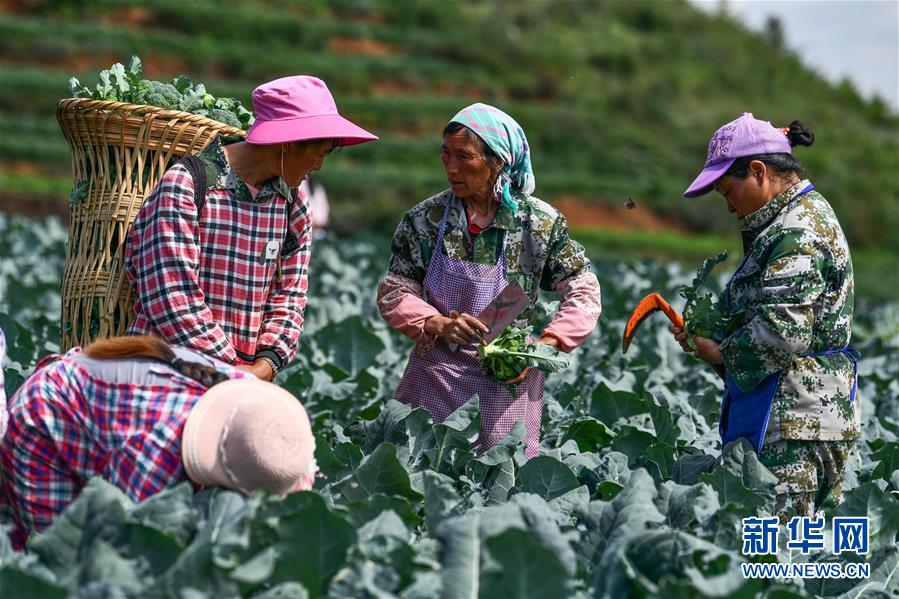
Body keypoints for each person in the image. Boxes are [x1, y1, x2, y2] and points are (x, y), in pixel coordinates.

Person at [377, 103, 602, 458]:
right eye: (445, 154)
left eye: (464, 156)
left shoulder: (538, 224)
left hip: (506, 377)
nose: (451, 167)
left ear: (498, 162)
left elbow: (583, 288)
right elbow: (395, 290)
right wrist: (436, 322)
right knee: (421, 468)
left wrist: (545, 346)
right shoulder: (426, 220)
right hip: (436, 372)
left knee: (497, 479)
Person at [125, 76, 377, 382]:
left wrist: (267, 364)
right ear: (287, 144)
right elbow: (170, 296)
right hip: (165, 375)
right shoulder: (188, 185)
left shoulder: (293, 204)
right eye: (319, 153)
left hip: (242, 382)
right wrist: (232, 367)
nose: (318, 166)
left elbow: (290, 297)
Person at [672, 112, 858, 522]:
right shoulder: (787, 222)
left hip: (797, 424)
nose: (728, 207)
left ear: (758, 172)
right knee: (792, 554)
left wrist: (719, 352)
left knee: (776, 553)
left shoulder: (798, 231)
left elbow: (782, 332)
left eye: (727, 191)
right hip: (803, 414)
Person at [0, 335, 317, 550]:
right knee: (64, 554)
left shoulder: (271, 429)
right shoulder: (155, 455)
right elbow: (128, 544)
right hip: (45, 417)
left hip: (115, 398)